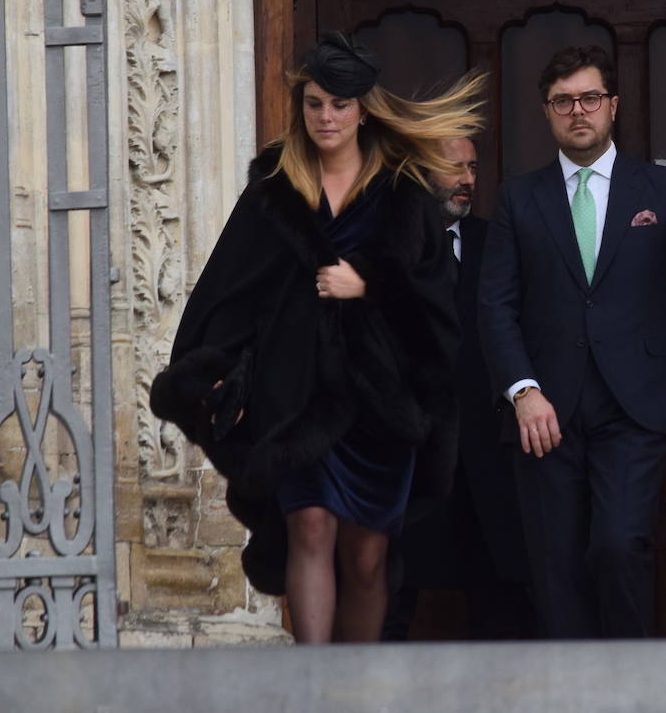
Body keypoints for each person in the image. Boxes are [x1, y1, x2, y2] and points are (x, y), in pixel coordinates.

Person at [150, 32, 483, 643]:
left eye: (339, 104)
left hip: (379, 402)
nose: (326, 117)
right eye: (314, 104)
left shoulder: (401, 195)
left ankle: (354, 690)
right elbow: (230, 290)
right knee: (308, 526)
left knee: (365, 556)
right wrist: (215, 375)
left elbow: (438, 307)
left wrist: (371, 283)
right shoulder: (275, 190)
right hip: (294, 393)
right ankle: (315, 691)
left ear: (363, 109)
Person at [478, 44, 666, 638]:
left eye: (589, 98)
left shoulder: (662, 190)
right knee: (556, 568)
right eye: (562, 102)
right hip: (546, 414)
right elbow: (495, 304)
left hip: (636, 407)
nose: (577, 111)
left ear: (612, 106)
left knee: (619, 546)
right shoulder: (519, 197)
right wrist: (522, 390)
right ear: (547, 112)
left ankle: (630, 688)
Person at [385, 135, 536, 640]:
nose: (469, 180)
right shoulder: (385, 244)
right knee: (391, 591)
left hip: (488, 454)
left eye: (473, 167)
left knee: (501, 596)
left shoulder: (498, 242)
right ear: (421, 170)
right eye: (455, 168)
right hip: (410, 454)